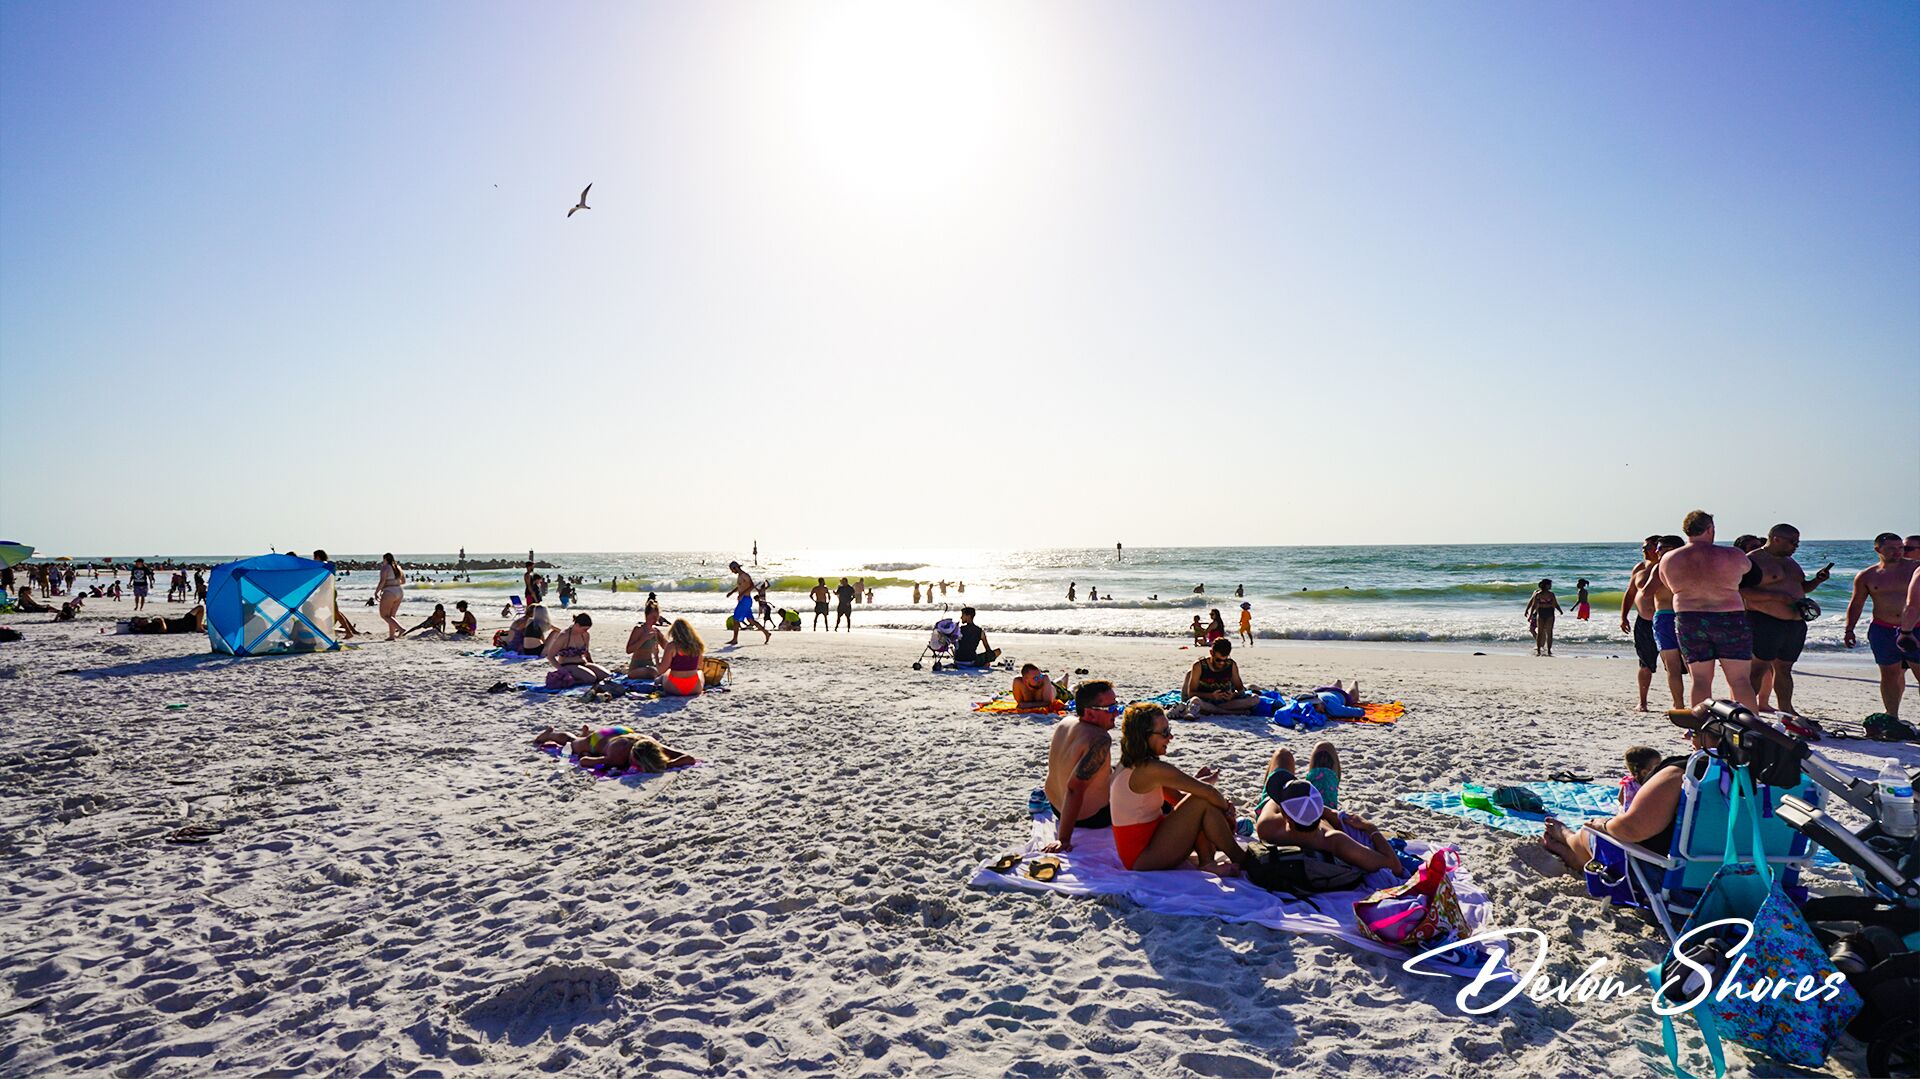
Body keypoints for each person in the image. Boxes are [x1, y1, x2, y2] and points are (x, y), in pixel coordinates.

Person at [1540, 710, 1723, 874]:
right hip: (1727, 874)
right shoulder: (1747, 779)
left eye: (1694, 732)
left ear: (1716, 739)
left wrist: (1603, 825)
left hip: (1667, 871)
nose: (1687, 736)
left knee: (1590, 830)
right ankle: (1576, 852)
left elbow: (1632, 829)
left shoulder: (1681, 773)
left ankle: (1569, 840)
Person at [1108, 703, 1247, 875]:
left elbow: (1179, 799)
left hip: (1147, 845)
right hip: (1142, 858)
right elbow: (1207, 793)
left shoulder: (1129, 764)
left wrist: (1210, 799)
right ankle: (1242, 859)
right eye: (1165, 733)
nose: (1171, 737)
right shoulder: (1149, 769)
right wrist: (1227, 810)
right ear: (1145, 736)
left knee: (1201, 802)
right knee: (1202, 798)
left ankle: (1208, 862)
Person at [1650, 512, 1756, 709]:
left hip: (1689, 618)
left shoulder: (1668, 560)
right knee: (1739, 680)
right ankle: (1751, 730)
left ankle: (1700, 734)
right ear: (1710, 529)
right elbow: (1749, 574)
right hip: (1729, 618)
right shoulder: (1732, 555)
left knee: (1700, 680)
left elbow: (1668, 585)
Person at [1253, 742, 1400, 873]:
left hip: (1301, 816)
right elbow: (1394, 866)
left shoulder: (1268, 827)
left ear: (1285, 814)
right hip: (1320, 818)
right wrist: (1370, 827)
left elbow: (1272, 799)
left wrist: (1293, 797)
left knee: (1282, 754)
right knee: (1324, 748)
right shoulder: (1334, 841)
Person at [1741, 523, 1830, 716]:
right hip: (1765, 621)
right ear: (1776, 539)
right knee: (1758, 668)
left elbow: (1801, 588)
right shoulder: (1753, 560)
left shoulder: (1791, 562)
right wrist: (1774, 597)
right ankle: (1747, 710)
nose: (1796, 546)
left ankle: (1786, 710)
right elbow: (1741, 591)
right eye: (1792, 542)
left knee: (1784, 669)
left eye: (1797, 542)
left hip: (1795, 624)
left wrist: (1817, 581)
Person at [1845, 532, 1920, 717]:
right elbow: (1856, 604)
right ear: (1878, 549)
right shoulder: (1867, 575)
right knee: (1889, 675)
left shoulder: (1915, 568)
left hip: (1915, 628)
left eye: (1900, 548)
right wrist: (1849, 629)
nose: (1897, 552)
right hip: (1882, 629)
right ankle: (1891, 716)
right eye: (1891, 549)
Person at [1041, 680, 1119, 853]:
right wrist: (1063, 839)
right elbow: (1075, 789)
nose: (1116, 713)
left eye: (1117, 706)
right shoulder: (1099, 740)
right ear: (1090, 714)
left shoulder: (1066, 721)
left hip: (1055, 806)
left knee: (1115, 770)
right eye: (1111, 709)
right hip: (1088, 817)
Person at [1619, 535, 1673, 712]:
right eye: (1643, 548)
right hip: (1644, 622)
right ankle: (1642, 702)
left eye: (1648, 547)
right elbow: (1630, 593)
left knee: (1673, 664)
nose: (1644, 551)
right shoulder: (1640, 568)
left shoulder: (1669, 567)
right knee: (1645, 662)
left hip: (1666, 619)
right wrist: (1623, 616)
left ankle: (1677, 702)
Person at [532, 724, 694, 773]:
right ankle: (549, 735)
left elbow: (689, 757)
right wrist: (589, 754)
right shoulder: (618, 755)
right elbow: (584, 761)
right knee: (573, 743)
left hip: (624, 732)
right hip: (601, 739)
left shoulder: (653, 744)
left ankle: (585, 734)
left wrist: (668, 764)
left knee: (580, 741)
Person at [1184, 638, 1256, 715]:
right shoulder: (1199, 666)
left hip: (1225, 702)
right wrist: (1211, 696)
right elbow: (1191, 693)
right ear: (1211, 653)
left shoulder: (1231, 665)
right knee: (1195, 701)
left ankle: (1216, 710)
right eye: (1218, 660)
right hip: (1205, 700)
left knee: (1255, 699)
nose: (1221, 663)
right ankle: (1229, 711)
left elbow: (1240, 689)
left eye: (1225, 660)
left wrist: (1233, 695)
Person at [543, 612, 611, 687]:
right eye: (584, 629)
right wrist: (561, 670)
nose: (586, 631)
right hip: (567, 665)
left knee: (607, 676)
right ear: (577, 625)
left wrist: (593, 665)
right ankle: (569, 680)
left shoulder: (585, 635)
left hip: (583, 663)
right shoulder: (564, 636)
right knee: (591, 678)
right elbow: (550, 656)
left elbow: (586, 652)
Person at [725, 561, 771, 645]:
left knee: (736, 619)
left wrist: (742, 594)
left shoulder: (744, 575)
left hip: (745, 600)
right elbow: (740, 586)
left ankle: (735, 639)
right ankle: (766, 633)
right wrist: (732, 592)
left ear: (735, 568)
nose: (732, 571)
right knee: (751, 620)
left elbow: (752, 585)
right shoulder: (740, 576)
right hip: (744, 600)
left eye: (732, 569)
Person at [658, 618, 706, 696]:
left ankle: (658, 681)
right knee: (700, 672)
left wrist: (656, 657)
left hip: (675, 687)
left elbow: (662, 669)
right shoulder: (697, 645)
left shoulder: (672, 646)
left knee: (666, 673)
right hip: (694, 688)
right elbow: (699, 666)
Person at [624, 602, 668, 678]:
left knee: (666, 670)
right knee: (652, 671)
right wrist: (643, 639)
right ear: (647, 615)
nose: (655, 619)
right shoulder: (639, 629)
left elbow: (668, 647)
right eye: (653, 617)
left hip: (650, 665)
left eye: (657, 617)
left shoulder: (656, 631)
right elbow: (629, 650)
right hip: (636, 667)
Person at [1525, 579, 1561, 656]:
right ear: (1546, 585)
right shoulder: (1539, 594)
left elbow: (1555, 604)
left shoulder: (1549, 594)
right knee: (1543, 632)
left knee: (1547, 632)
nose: (1551, 586)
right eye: (1550, 584)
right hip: (1543, 613)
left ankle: (1547, 650)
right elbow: (1534, 605)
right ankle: (1540, 650)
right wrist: (1530, 615)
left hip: (1548, 613)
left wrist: (1560, 610)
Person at [376, 553, 406, 640]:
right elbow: (403, 581)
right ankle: (392, 636)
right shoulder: (398, 567)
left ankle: (400, 629)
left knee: (384, 615)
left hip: (389, 592)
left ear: (385, 559)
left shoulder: (385, 568)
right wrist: (395, 583)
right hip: (399, 591)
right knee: (392, 616)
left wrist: (376, 592)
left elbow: (382, 581)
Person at [129, 604, 207, 634]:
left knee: (203, 624)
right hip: (182, 625)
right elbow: (163, 630)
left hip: (181, 622)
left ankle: (199, 626)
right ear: (139, 625)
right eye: (139, 621)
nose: (142, 620)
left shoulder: (150, 623)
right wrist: (162, 621)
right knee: (200, 608)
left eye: (140, 618)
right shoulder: (148, 628)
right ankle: (198, 628)